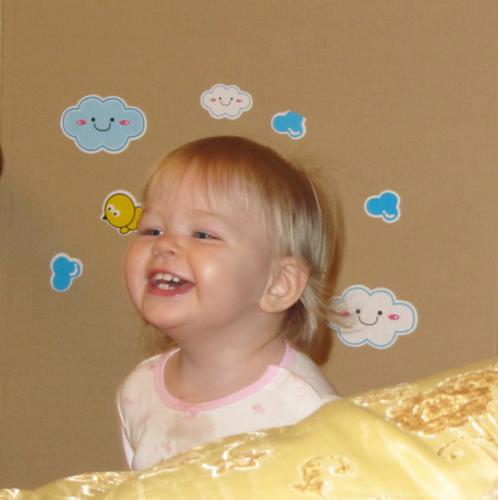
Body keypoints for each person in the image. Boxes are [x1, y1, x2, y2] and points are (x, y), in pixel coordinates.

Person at [117, 136, 340, 470]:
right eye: (151, 230)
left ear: (278, 284)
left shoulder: (303, 411)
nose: (163, 245)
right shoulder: (139, 390)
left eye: (202, 234)